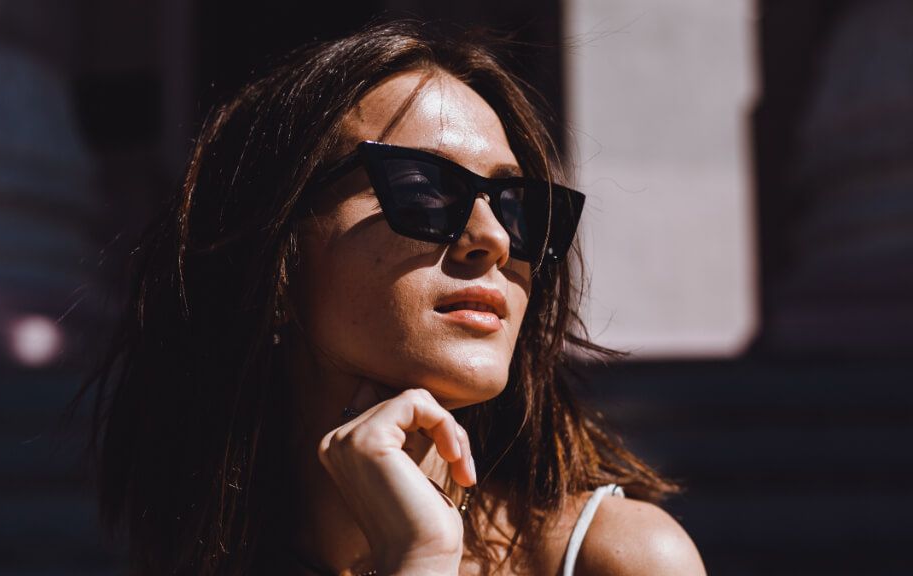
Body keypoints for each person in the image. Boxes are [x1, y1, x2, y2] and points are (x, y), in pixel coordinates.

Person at [72, 19, 707, 576]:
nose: (492, 239)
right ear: (276, 260)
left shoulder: (621, 558)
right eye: (424, 190)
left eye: (516, 206)